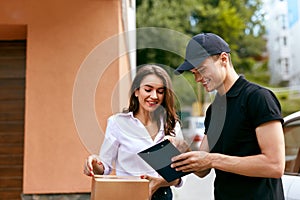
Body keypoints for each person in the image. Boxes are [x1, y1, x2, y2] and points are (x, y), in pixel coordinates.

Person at [171, 33, 285, 199]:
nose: (197, 79)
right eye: (194, 73)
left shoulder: (258, 98)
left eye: (201, 70)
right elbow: (203, 169)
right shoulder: (214, 111)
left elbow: (274, 165)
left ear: (223, 59)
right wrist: (182, 149)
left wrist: (213, 160)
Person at [83, 64, 185, 200]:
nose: (154, 96)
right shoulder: (118, 123)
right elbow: (104, 168)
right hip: (127, 194)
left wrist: (159, 182)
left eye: (160, 91)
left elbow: (180, 177)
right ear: (136, 91)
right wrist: (95, 163)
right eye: (148, 90)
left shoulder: (172, 125)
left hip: (162, 195)